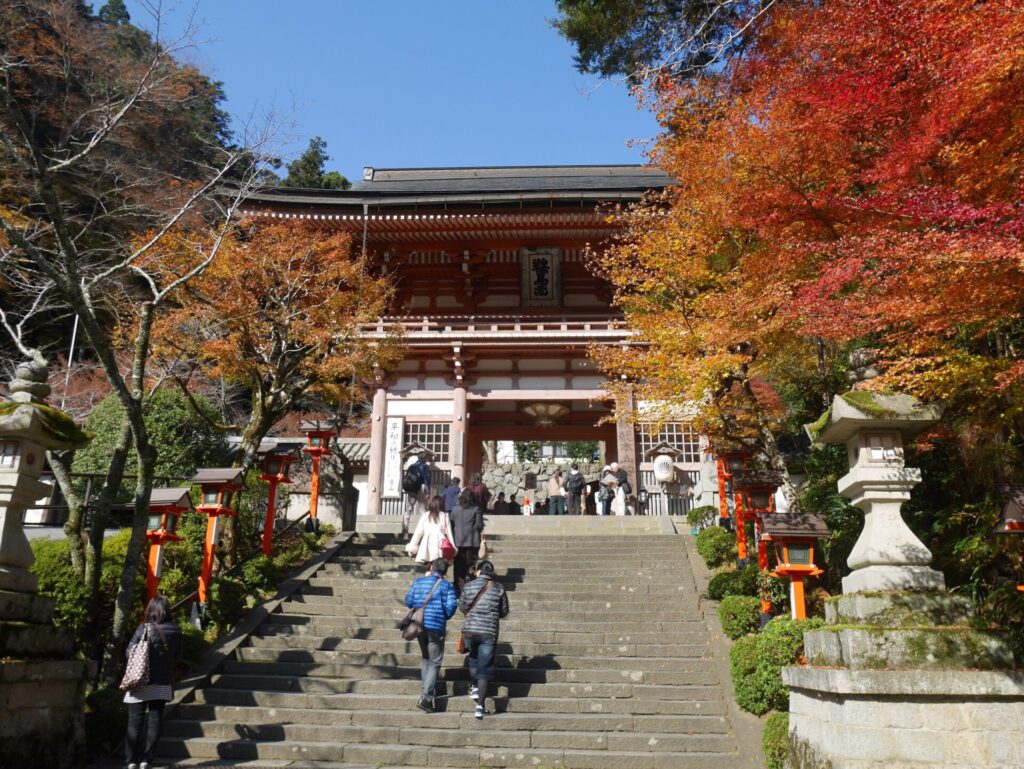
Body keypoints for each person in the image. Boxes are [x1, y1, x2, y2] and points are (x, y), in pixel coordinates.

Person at [123, 594, 182, 769]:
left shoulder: (144, 629)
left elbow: (129, 652)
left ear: (152, 610)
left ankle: (131, 760)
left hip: (139, 680)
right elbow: (178, 656)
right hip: (162, 682)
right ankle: (146, 760)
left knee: (135, 720)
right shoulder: (176, 630)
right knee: (155, 720)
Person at [404, 558, 458, 712]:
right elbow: (452, 605)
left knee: (426, 659)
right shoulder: (447, 585)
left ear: (431, 567)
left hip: (419, 625)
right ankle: (426, 698)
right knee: (434, 662)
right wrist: (444, 615)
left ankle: (425, 692)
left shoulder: (418, 582)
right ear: (445, 572)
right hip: (436, 626)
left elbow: (408, 601)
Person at [458, 560, 510, 719]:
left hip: (470, 631)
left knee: (473, 659)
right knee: (485, 667)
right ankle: (480, 705)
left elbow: (462, 607)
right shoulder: (499, 588)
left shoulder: (468, 586)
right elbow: (504, 611)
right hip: (489, 632)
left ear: (479, 571)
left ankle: (474, 686)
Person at [449, 487, 485, 594]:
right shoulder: (476, 509)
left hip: (458, 542)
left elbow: (451, 523)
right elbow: (479, 526)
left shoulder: (455, 509)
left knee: (458, 567)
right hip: (472, 543)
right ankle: (471, 589)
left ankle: (458, 588)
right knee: (471, 566)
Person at [406, 495, 455, 567]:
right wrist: (453, 548)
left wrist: (412, 547)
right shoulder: (444, 516)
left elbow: (418, 532)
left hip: (426, 544)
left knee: (429, 567)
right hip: (440, 545)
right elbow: (449, 534)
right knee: (439, 568)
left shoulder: (425, 515)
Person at [401, 451, 432, 538]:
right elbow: (427, 480)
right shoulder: (424, 466)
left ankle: (405, 526)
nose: (427, 459)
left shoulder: (412, 466)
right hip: (420, 488)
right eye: (426, 457)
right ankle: (425, 529)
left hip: (411, 488)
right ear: (424, 458)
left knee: (409, 508)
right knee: (423, 509)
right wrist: (427, 492)